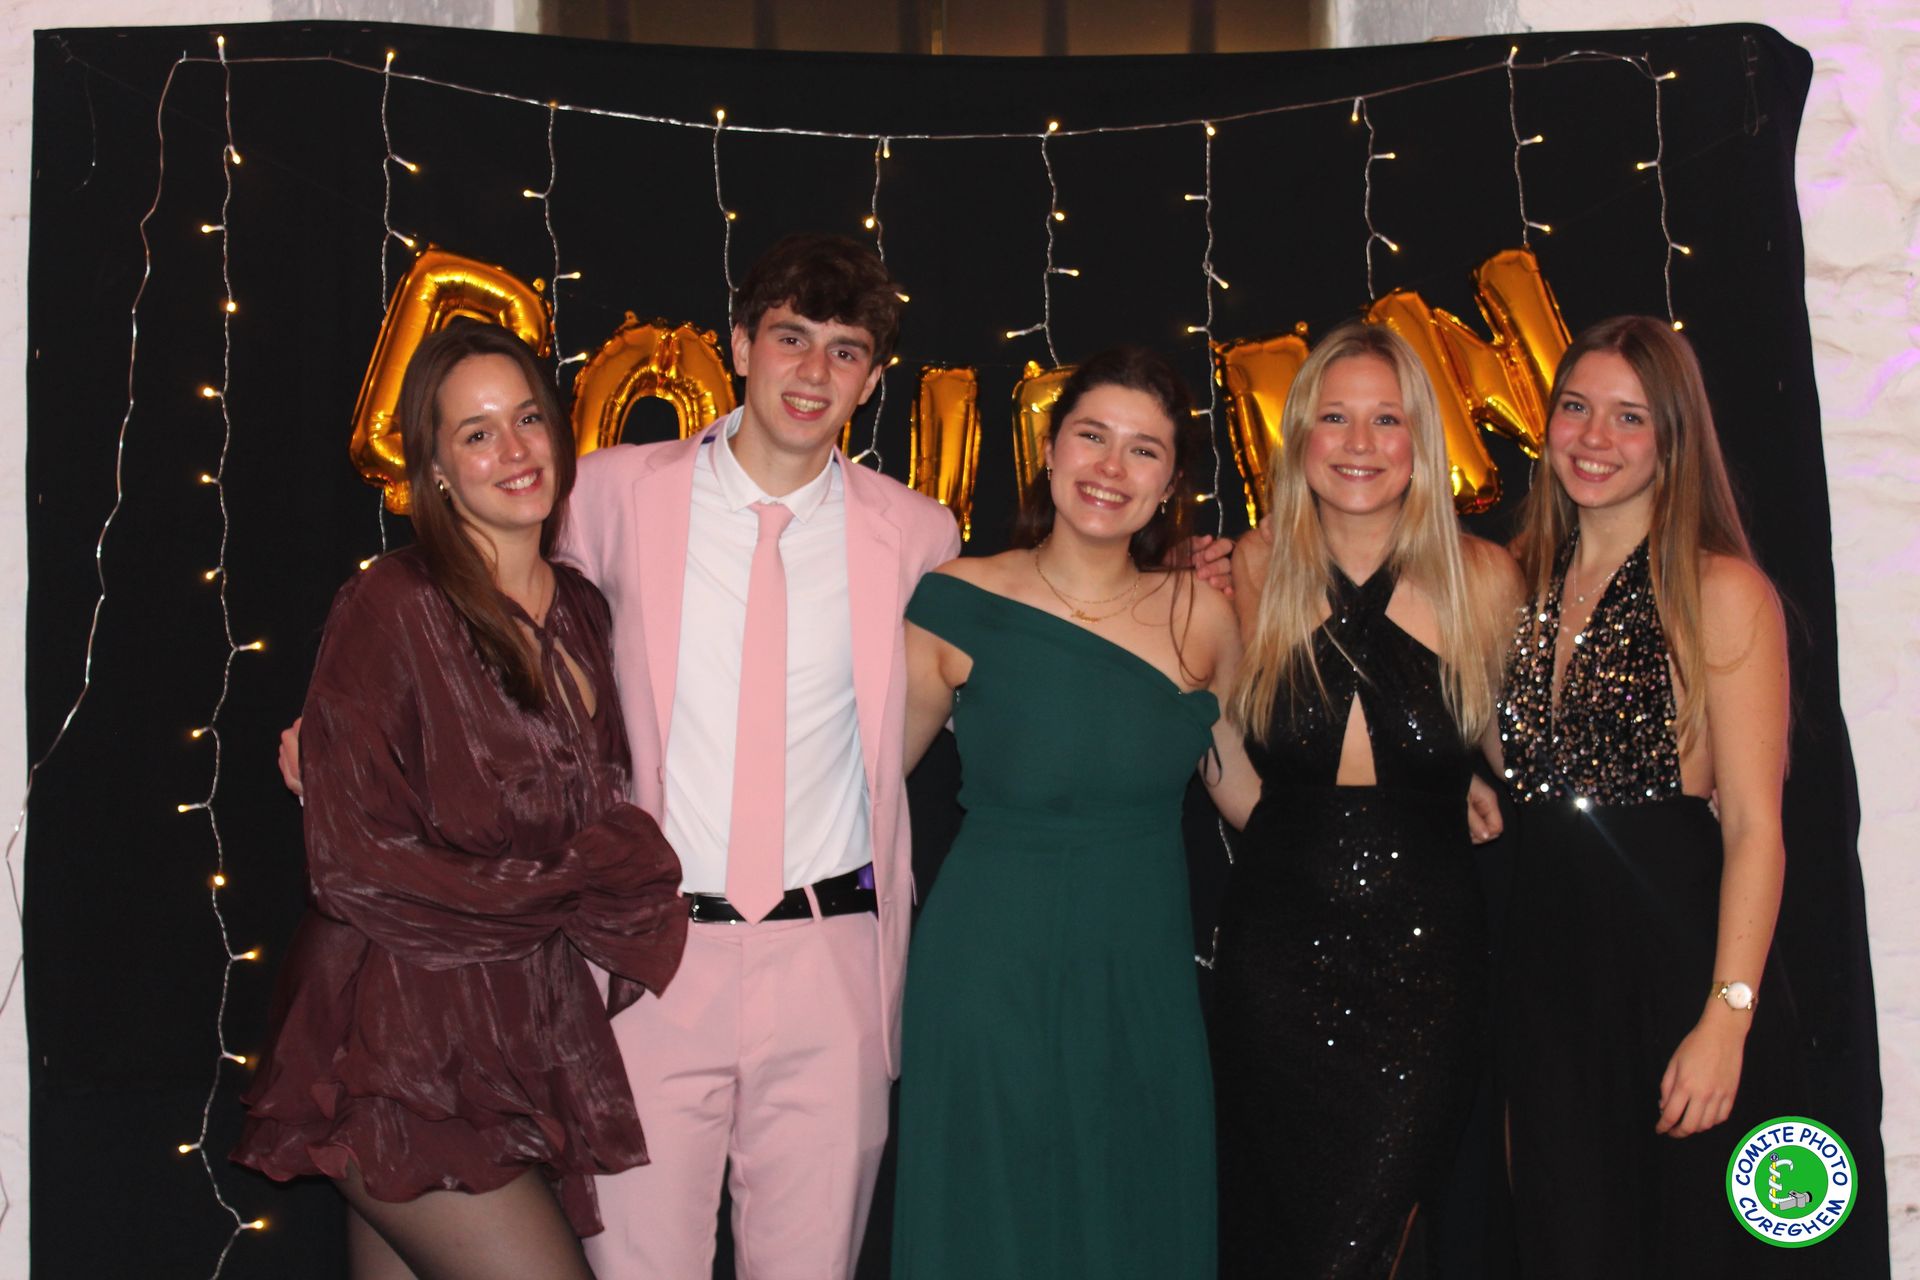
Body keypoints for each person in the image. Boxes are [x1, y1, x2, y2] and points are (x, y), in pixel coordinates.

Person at [233, 323, 688, 1280]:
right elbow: (352, 863)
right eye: (477, 434)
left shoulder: (584, 609)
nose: (514, 450)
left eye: (526, 419)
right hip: (398, 1043)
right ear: (434, 470)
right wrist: (556, 888)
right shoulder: (394, 603)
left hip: (512, 1035)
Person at [890, 346, 1257, 1278]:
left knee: (1131, 1213)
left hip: (1140, 975)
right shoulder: (957, 598)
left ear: (1169, 484)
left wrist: (1412, 803)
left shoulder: (1202, 614)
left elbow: (1247, 791)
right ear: (1049, 452)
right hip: (985, 971)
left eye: (1144, 450)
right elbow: (864, 779)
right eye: (1092, 437)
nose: (1110, 467)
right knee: (991, 1219)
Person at [1494, 316, 1806, 1276]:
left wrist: (1727, 1019)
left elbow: (1755, 830)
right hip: (1545, 985)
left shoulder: (1721, 592)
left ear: (1673, 438)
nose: (1595, 437)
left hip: (1677, 979)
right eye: (1576, 408)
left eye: (1629, 417)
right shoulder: (1512, 580)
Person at [1212, 321, 1521, 1277]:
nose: (1359, 443)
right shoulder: (1249, 568)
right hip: (1276, 962)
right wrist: (1303, 837)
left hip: (1428, 969)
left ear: (1421, 440)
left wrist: (1469, 789)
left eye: (1386, 419)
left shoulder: (1484, 579)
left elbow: (1522, 763)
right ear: (1299, 437)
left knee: (1380, 1233)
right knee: (1285, 1236)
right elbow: (1220, 750)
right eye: (1334, 417)